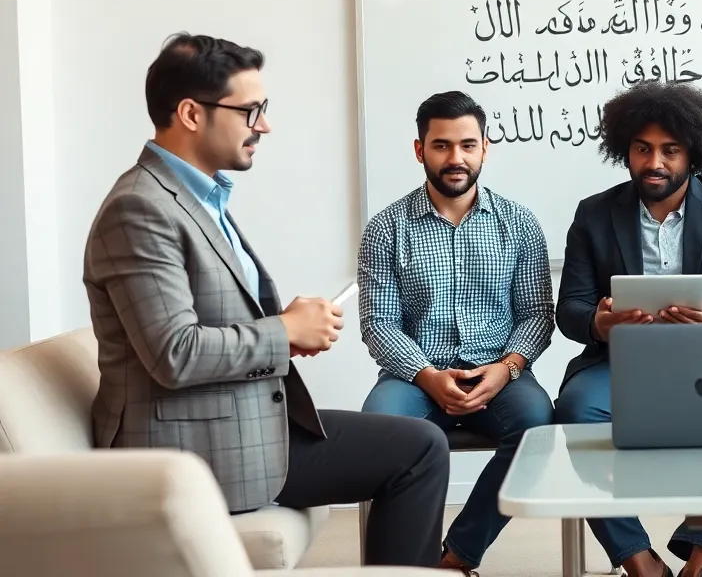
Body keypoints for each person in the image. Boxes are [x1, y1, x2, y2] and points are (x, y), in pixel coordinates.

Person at [83, 33, 451, 568]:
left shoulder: (195, 196)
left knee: (417, 442)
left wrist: (288, 333)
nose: (265, 125)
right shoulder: (139, 209)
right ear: (190, 113)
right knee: (418, 450)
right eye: (251, 110)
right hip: (191, 447)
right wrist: (284, 331)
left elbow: (208, 323)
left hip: (234, 417)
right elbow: (173, 352)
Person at [552, 80, 702, 577]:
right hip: (618, 362)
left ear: (694, 153)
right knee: (573, 411)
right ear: (625, 150)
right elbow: (568, 308)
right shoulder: (594, 214)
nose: (654, 163)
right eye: (642, 149)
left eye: (669, 151)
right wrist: (599, 322)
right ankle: (638, 559)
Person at [358, 90, 556, 575]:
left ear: (485, 148)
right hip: (414, 376)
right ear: (419, 149)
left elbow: (536, 313)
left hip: (497, 370)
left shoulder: (519, 224)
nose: (456, 158)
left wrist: (507, 370)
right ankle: (407, 563)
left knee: (539, 427)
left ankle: (456, 556)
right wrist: (427, 376)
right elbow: (378, 323)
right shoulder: (386, 228)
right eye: (442, 145)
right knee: (379, 432)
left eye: (467, 145)